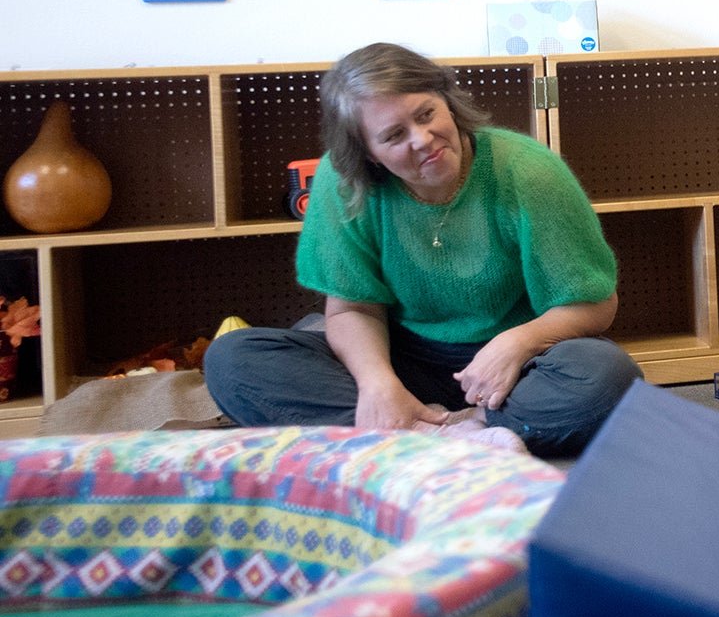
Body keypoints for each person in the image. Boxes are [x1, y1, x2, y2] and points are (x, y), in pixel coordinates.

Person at [205, 42, 643, 458]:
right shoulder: (341, 186)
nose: (424, 138)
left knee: (607, 378)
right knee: (232, 359)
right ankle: (449, 431)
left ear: (447, 101)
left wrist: (518, 342)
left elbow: (595, 305)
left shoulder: (529, 171)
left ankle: (430, 433)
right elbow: (351, 309)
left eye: (427, 113)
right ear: (368, 154)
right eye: (394, 135)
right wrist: (378, 384)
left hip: (517, 365)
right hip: (403, 359)